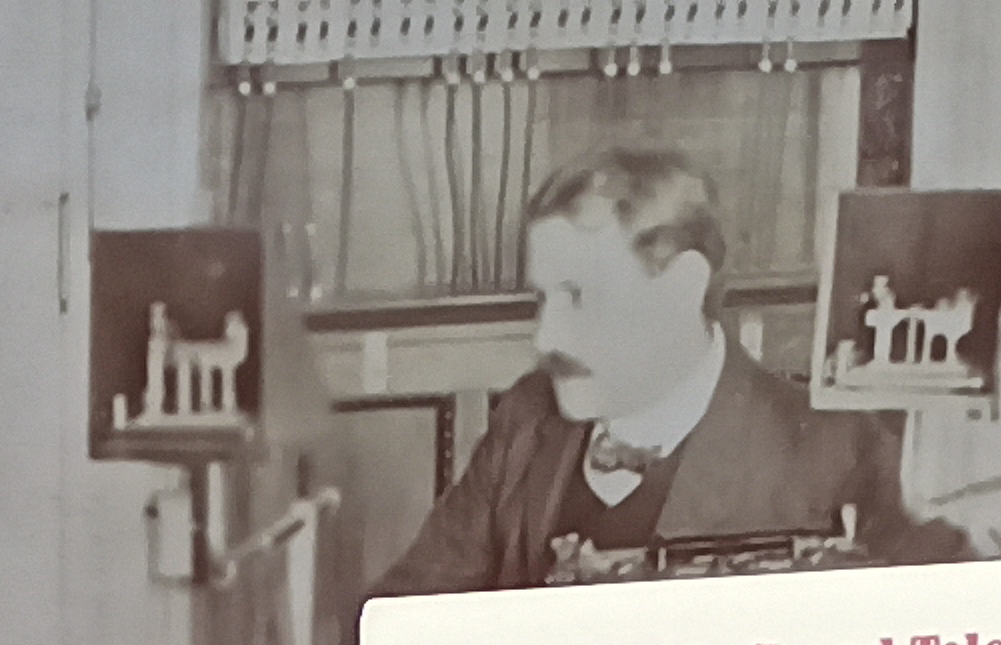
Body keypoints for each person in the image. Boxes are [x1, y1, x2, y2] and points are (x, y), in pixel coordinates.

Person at [378, 151, 927, 604]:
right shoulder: (526, 419)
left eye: (578, 296)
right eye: (542, 299)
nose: (545, 337)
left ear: (684, 287)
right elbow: (387, 634)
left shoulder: (834, 452)